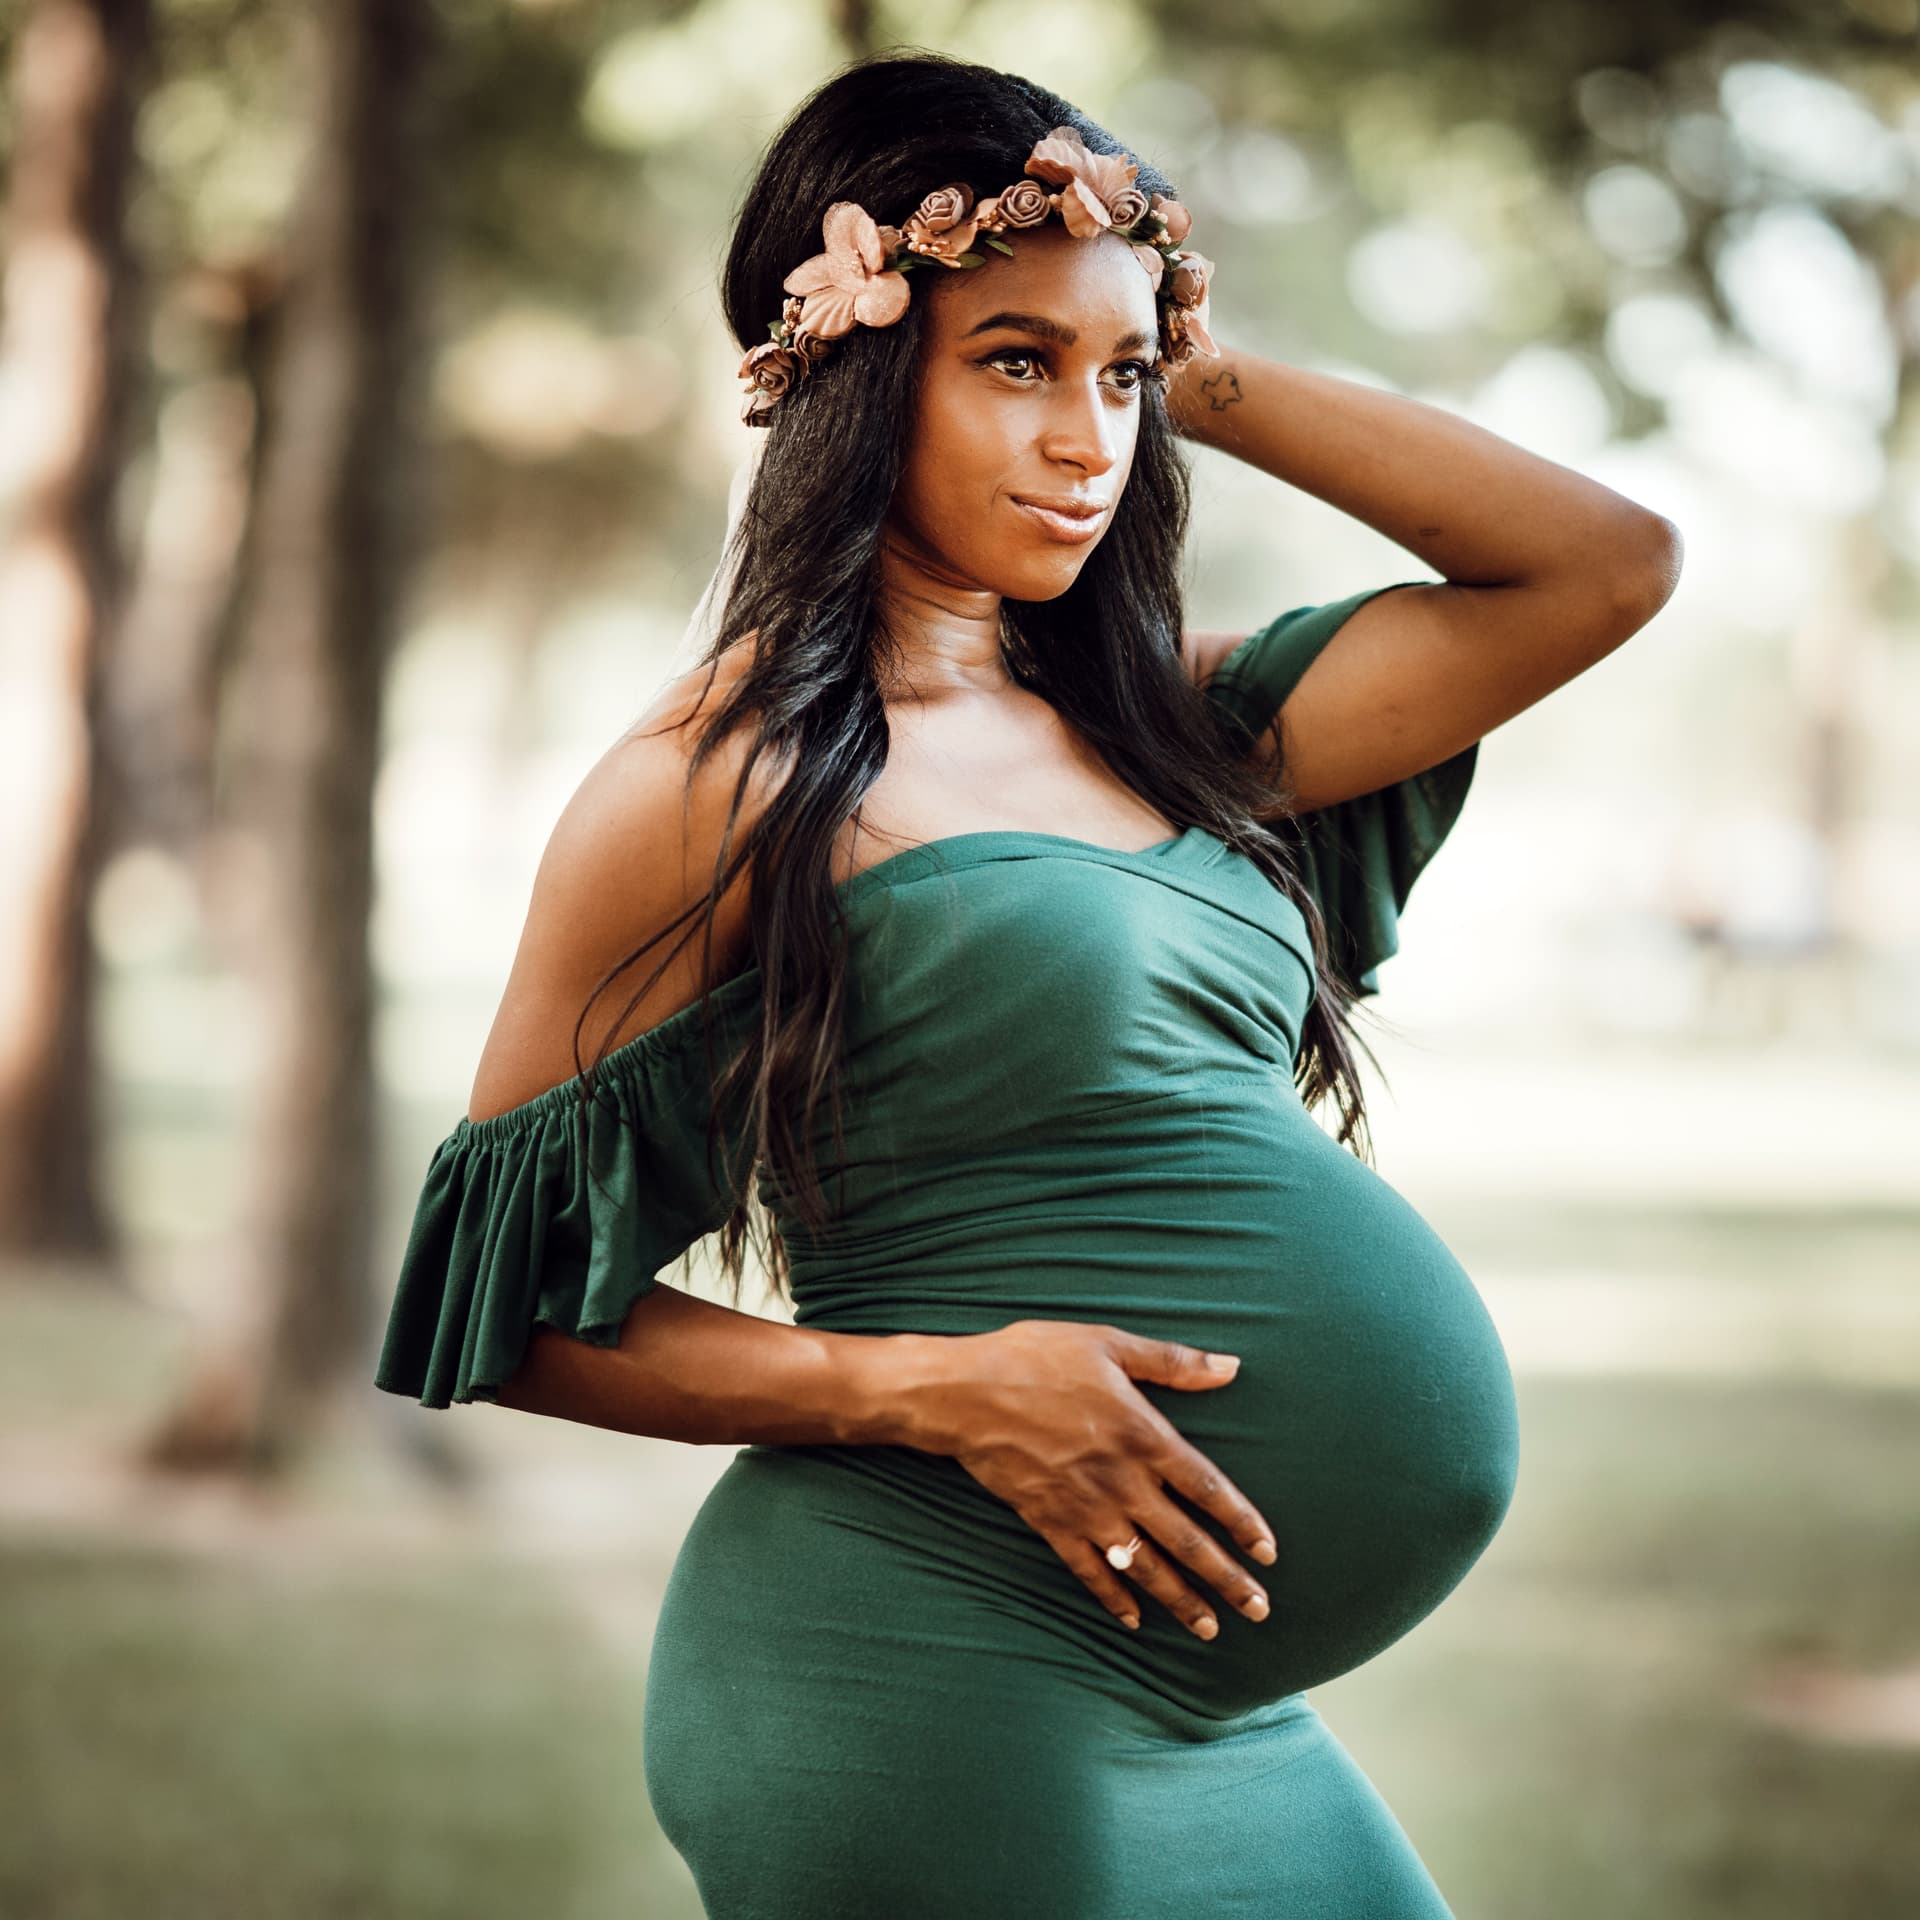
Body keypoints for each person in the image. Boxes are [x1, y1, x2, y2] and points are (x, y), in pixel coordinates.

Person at [376, 51, 1681, 1918]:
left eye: (1119, 382)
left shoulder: (1171, 722)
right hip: (927, 1670)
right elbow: (499, 1319)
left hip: (1204, 1701)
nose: (1091, 442)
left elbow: (1602, 568)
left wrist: (1169, 342)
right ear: (849, 370)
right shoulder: (712, 788)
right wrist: (932, 1390)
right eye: (1013, 364)